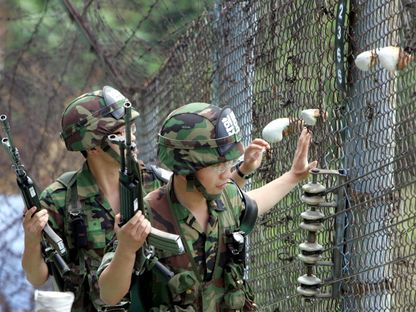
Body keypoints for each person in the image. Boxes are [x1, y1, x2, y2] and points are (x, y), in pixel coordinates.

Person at [21, 89, 266, 312]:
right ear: (93, 145)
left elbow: (210, 201)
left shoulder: (155, 181)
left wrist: (240, 173)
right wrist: (32, 240)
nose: (132, 138)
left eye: (132, 129)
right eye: (119, 134)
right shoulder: (61, 198)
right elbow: (38, 276)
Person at [97, 102, 317, 311]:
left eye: (229, 163)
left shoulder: (226, 195)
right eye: (216, 166)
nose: (226, 173)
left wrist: (293, 176)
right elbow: (109, 294)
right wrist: (126, 249)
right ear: (186, 167)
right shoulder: (147, 214)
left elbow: (253, 203)